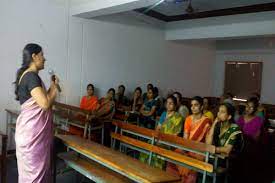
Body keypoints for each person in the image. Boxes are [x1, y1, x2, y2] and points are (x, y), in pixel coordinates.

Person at [14, 43, 59, 182]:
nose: (44, 59)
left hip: (30, 133)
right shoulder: (31, 76)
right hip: (33, 136)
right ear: (34, 56)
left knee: (31, 175)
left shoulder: (27, 76)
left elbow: (42, 101)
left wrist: (52, 88)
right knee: (35, 176)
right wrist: (54, 88)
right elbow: (45, 104)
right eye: (42, 55)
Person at [166, 96, 212, 183]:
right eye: (191, 105)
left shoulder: (207, 121)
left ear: (201, 107)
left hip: (199, 150)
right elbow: (185, 137)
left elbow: (207, 142)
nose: (193, 107)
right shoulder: (188, 119)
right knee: (173, 158)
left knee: (190, 164)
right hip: (187, 147)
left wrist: (194, 149)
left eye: (196, 105)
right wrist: (185, 149)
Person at [140, 95, 184, 169]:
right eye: (167, 103)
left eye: (171, 103)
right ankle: (144, 168)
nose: (168, 105)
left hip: (170, 142)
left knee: (159, 148)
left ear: (175, 105)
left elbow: (176, 134)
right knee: (148, 144)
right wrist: (156, 139)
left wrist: (163, 141)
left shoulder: (178, 117)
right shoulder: (164, 114)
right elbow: (158, 128)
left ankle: (156, 172)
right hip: (159, 139)